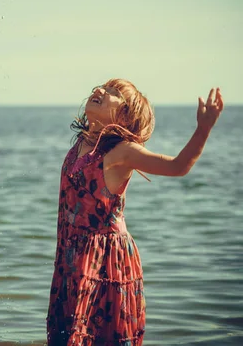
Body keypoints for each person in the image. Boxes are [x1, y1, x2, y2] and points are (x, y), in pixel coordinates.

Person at [46, 79, 224, 345]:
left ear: (126, 116)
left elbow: (178, 166)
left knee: (94, 336)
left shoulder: (122, 152)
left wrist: (203, 129)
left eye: (113, 93)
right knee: (65, 332)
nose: (100, 91)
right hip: (71, 256)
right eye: (102, 86)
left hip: (105, 260)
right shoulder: (83, 142)